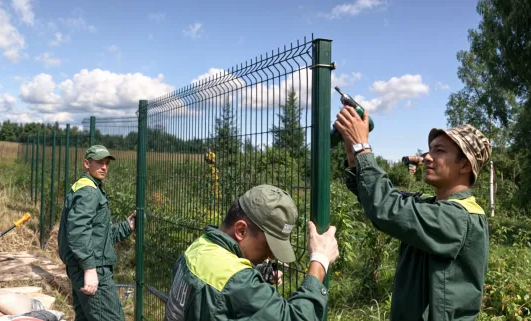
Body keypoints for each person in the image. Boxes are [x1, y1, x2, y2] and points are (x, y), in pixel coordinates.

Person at [334, 107, 492, 321]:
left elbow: (385, 207)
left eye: (440, 151)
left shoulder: (458, 217)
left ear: (465, 165)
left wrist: (363, 148)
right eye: (430, 150)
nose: (427, 157)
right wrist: (353, 153)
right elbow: (378, 198)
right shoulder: (433, 206)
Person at [163, 184, 339, 321]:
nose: (270, 256)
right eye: (269, 246)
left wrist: (258, 274)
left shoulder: (199, 247)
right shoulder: (237, 282)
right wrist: (320, 261)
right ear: (240, 230)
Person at [58, 145, 136, 321]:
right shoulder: (89, 192)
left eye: (107, 163)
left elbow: (98, 234)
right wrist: (90, 269)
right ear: (87, 163)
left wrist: (127, 227)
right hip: (94, 268)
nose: (104, 167)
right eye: (99, 162)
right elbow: (78, 232)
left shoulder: (87, 188)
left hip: (83, 266)